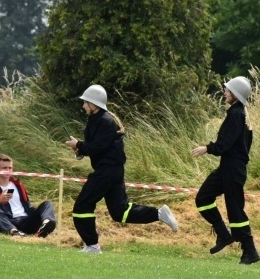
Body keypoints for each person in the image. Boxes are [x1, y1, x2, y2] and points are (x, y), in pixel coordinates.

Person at [65, 84, 178, 254]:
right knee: (120, 212)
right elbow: (96, 147)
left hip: (107, 171)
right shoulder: (99, 119)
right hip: (112, 171)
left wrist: (79, 145)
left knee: (82, 205)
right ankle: (159, 214)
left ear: (94, 103)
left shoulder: (105, 121)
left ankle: (92, 246)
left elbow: (98, 147)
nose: (83, 106)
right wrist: (79, 149)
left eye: (85, 102)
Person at [191, 76, 260, 265]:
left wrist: (208, 148)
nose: (225, 93)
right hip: (227, 168)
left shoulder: (236, 114)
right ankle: (223, 235)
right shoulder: (240, 114)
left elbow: (225, 143)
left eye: (228, 90)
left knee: (236, 211)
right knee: (203, 198)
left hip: (233, 169)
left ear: (236, 95)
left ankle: (250, 251)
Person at [0, 154, 57, 237]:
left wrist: (38, 212)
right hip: (9, 221)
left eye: (10, 168)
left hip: (26, 220)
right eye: (4, 168)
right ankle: (15, 232)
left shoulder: (19, 185)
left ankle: (46, 225)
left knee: (47, 204)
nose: (8, 170)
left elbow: (27, 205)